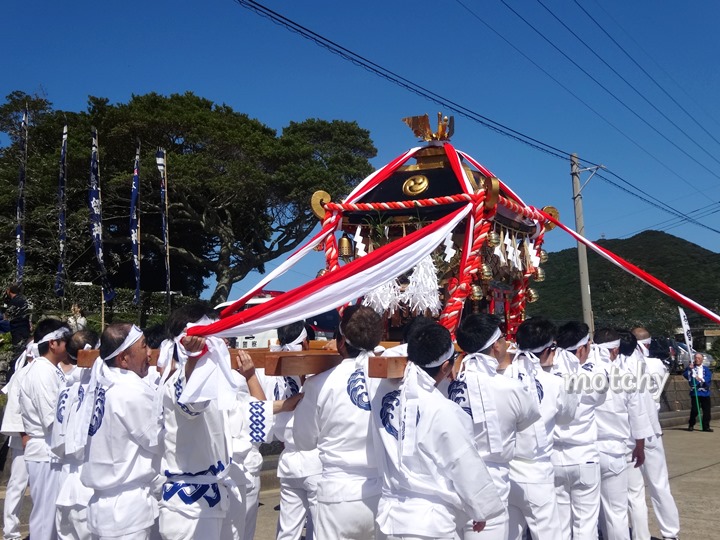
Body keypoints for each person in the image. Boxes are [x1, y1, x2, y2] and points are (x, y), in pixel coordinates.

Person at [370, 321, 505, 540]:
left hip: (389, 521)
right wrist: (481, 509)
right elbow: (463, 463)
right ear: (445, 367)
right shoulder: (444, 409)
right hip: (429, 524)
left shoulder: (381, 391)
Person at [293, 305, 384, 539]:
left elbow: (303, 442)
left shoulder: (318, 384)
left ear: (341, 339)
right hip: (383, 493)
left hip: (338, 495)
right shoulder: (392, 379)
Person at [447, 313, 540, 540]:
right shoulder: (511, 388)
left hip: (450, 485)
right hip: (492, 487)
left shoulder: (446, 384)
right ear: (496, 345)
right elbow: (526, 420)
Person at [79, 323, 162, 540]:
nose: (150, 353)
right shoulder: (131, 391)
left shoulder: (100, 385)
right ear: (123, 358)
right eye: (144, 347)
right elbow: (158, 441)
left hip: (101, 506)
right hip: (127, 510)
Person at [504, 317, 578, 540]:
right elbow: (567, 417)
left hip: (506, 470)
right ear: (547, 349)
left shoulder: (501, 377)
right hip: (537, 471)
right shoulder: (556, 382)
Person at [590, 328, 653, 540]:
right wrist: (641, 447)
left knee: (589, 513)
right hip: (620, 449)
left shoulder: (582, 374)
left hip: (587, 450)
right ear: (615, 350)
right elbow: (638, 415)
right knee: (620, 509)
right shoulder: (625, 377)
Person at [18, 318, 71, 540]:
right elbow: (52, 418)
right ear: (53, 344)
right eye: (65, 340)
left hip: (52, 450)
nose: (69, 345)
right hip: (45, 450)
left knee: (54, 517)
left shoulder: (51, 369)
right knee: (45, 519)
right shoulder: (42, 371)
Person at [552, 321, 606, 540]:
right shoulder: (594, 375)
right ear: (582, 349)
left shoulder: (548, 373)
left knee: (560, 527)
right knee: (586, 526)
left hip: (554, 457)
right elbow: (599, 395)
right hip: (584, 457)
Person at [626, 327, 680, 540]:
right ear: (647, 344)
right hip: (651, 428)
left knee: (635, 491)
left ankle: (640, 535)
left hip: (630, 430)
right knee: (660, 484)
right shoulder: (657, 365)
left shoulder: (622, 366)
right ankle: (670, 533)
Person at [269, 321, 320, 540]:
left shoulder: (271, 368)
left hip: (289, 459)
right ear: (306, 343)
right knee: (320, 530)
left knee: (288, 531)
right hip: (315, 459)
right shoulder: (317, 375)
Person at [0, 341, 37, 540]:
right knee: (17, 484)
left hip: (42, 439)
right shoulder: (22, 374)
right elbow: (14, 407)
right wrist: (23, 435)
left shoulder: (49, 372)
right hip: (24, 438)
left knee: (41, 488)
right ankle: (11, 531)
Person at [6, 283, 31, 377]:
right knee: (24, 352)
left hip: (17, 330)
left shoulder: (13, 302)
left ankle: (13, 375)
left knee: (17, 353)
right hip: (25, 329)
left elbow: (8, 316)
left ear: (9, 291)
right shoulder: (24, 301)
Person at [684, 352, 712, 432]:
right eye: (696, 358)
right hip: (695, 392)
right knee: (695, 410)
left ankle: (706, 426)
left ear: (702, 359)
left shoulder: (706, 369)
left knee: (706, 411)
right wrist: (690, 369)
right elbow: (686, 375)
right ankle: (691, 424)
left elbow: (708, 377)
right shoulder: (691, 368)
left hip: (705, 392)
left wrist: (702, 380)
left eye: (699, 358)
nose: (697, 359)